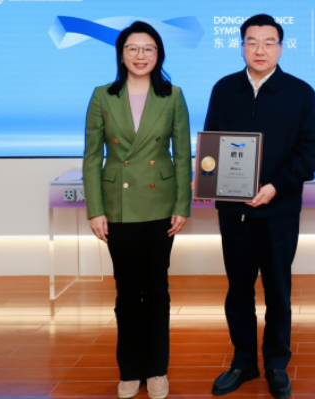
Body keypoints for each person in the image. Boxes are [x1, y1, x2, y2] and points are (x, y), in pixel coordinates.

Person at [204, 14, 315, 399]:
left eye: (268, 42)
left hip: (279, 212)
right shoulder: (224, 89)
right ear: (241, 46)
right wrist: (208, 179)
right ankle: (243, 362)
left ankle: (276, 364)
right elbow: (211, 144)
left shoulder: (300, 92)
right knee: (238, 291)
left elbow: (311, 149)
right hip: (234, 213)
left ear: (281, 48)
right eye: (252, 42)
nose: (260, 49)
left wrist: (276, 186)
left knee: (278, 292)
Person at [83, 21, 192, 399]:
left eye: (148, 49)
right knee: (127, 292)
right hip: (118, 206)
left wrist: (182, 204)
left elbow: (183, 155)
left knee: (157, 291)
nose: (140, 55)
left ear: (158, 54)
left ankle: (157, 370)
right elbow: (92, 156)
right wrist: (95, 210)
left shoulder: (173, 96)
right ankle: (130, 370)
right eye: (133, 48)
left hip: (160, 204)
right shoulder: (102, 96)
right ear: (121, 54)